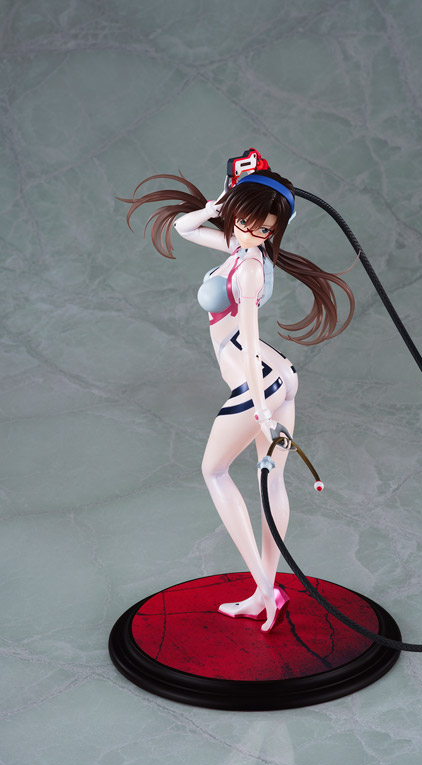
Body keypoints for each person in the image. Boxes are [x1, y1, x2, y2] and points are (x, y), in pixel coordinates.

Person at [120, 165, 354, 632]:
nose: (252, 231)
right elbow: (185, 227)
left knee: (214, 471)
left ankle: (265, 589)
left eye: (264, 228)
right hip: (280, 373)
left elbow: (247, 333)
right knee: (271, 481)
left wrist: (261, 409)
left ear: (274, 230)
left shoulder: (248, 268)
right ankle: (266, 591)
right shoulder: (241, 248)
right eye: (246, 221)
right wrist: (216, 206)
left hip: (258, 380)